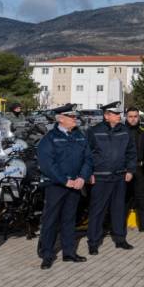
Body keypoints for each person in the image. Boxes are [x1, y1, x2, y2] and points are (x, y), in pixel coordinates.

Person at [36, 104, 93, 269]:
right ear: (61, 119)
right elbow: (47, 164)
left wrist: (82, 177)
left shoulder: (80, 136)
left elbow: (88, 159)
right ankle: (47, 254)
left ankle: (69, 252)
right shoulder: (50, 138)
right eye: (71, 117)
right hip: (56, 186)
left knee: (69, 220)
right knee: (50, 220)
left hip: (75, 185)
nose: (75, 119)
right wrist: (65, 180)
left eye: (75, 116)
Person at [86, 102, 137, 254]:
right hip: (100, 178)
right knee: (97, 211)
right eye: (115, 114)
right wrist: (89, 174)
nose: (118, 116)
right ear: (106, 116)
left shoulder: (125, 131)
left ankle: (120, 239)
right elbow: (87, 154)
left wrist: (130, 170)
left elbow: (131, 152)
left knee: (119, 210)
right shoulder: (94, 131)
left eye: (119, 113)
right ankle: (93, 242)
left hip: (119, 177)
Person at [124, 106, 144, 234]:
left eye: (135, 117)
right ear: (126, 117)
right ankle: (119, 226)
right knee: (124, 198)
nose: (133, 119)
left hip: (140, 168)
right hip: (126, 169)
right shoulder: (121, 131)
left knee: (142, 198)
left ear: (139, 117)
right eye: (130, 117)